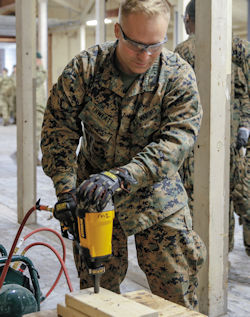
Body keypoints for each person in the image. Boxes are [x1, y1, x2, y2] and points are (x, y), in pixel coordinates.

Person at [41, 0, 206, 310]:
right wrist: (65, 189)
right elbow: (58, 131)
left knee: (176, 294)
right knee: (97, 294)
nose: (145, 55)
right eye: (135, 45)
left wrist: (124, 175)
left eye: (154, 45)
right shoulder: (85, 69)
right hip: (94, 196)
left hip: (155, 194)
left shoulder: (177, 75)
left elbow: (178, 139)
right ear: (118, 31)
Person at [174, 0, 250, 254]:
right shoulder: (241, 48)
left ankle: (210, 260)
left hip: (196, 148)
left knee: (201, 205)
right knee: (232, 199)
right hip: (239, 143)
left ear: (188, 20)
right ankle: (223, 256)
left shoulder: (183, 51)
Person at [35, 52, 47, 165]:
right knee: (36, 132)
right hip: (36, 106)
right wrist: (40, 66)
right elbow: (41, 77)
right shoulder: (35, 71)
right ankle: (33, 156)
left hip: (35, 105)